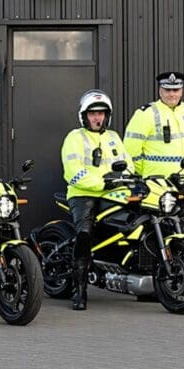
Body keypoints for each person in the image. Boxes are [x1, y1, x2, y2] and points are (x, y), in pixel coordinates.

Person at [61, 89, 132, 310]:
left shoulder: (113, 137)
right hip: (84, 194)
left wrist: (126, 178)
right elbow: (73, 172)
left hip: (113, 193)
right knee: (85, 233)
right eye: (92, 113)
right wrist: (103, 182)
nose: (97, 118)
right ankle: (79, 289)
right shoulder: (75, 138)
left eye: (101, 113)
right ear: (84, 115)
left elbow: (127, 164)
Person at [124, 72, 184, 231]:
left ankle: (182, 256)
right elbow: (131, 150)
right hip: (157, 182)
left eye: (176, 90)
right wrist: (144, 174)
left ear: (182, 90)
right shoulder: (146, 113)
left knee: (183, 228)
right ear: (160, 90)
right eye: (167, 90)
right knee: (156, 229)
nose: (172, 94)